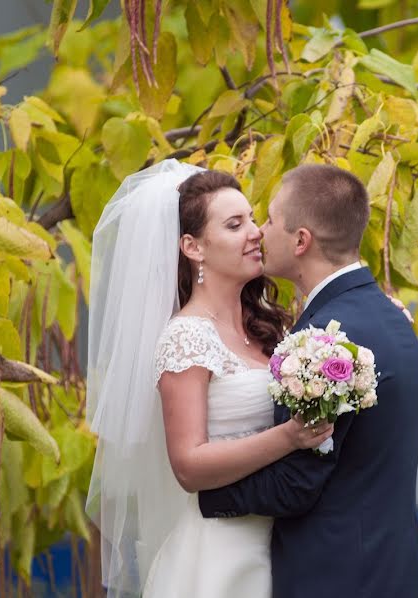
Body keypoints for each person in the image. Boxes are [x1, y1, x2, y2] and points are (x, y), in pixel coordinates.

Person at [84, 160, 333, 598]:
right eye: (235, 224)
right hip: (220, 554)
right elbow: (188, 465)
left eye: (254, 219)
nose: (255, 231)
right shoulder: (185, 338)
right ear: (193, 247)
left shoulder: (269, 327)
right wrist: (290, 437)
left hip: (282, 542)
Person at [198, 163, 418, 598]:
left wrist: (202, 498)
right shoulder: (391, 317)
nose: (259, 232)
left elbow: (296, 485)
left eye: (268, 220)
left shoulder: (324, 341)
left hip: (334, 576)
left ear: (301, 240)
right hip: (391, 570)